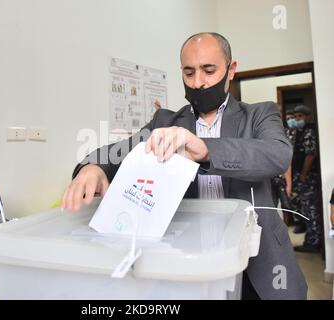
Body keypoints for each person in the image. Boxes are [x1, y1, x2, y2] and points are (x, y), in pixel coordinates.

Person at [62, 32, 307, 299]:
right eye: (189, 73)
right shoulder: (165, 122)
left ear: (231, 69)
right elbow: (118, 152)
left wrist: (206, 149)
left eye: (208, 70)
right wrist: (93, 167)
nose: (199, 82)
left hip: (256, 264)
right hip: (190, 266)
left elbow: (277, 154)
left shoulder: (259, 114)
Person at [291, 105, 322, 253]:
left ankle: (313, 242)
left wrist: (303, 174)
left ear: (307, 117)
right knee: (305, 208)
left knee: (310, 209)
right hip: (302, 177)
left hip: (308, 177)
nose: (297, 119)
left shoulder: (309, 132)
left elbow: (310, 154)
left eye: (300, 116)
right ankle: (311, 239)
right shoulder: (299, 132)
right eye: (295, 116)